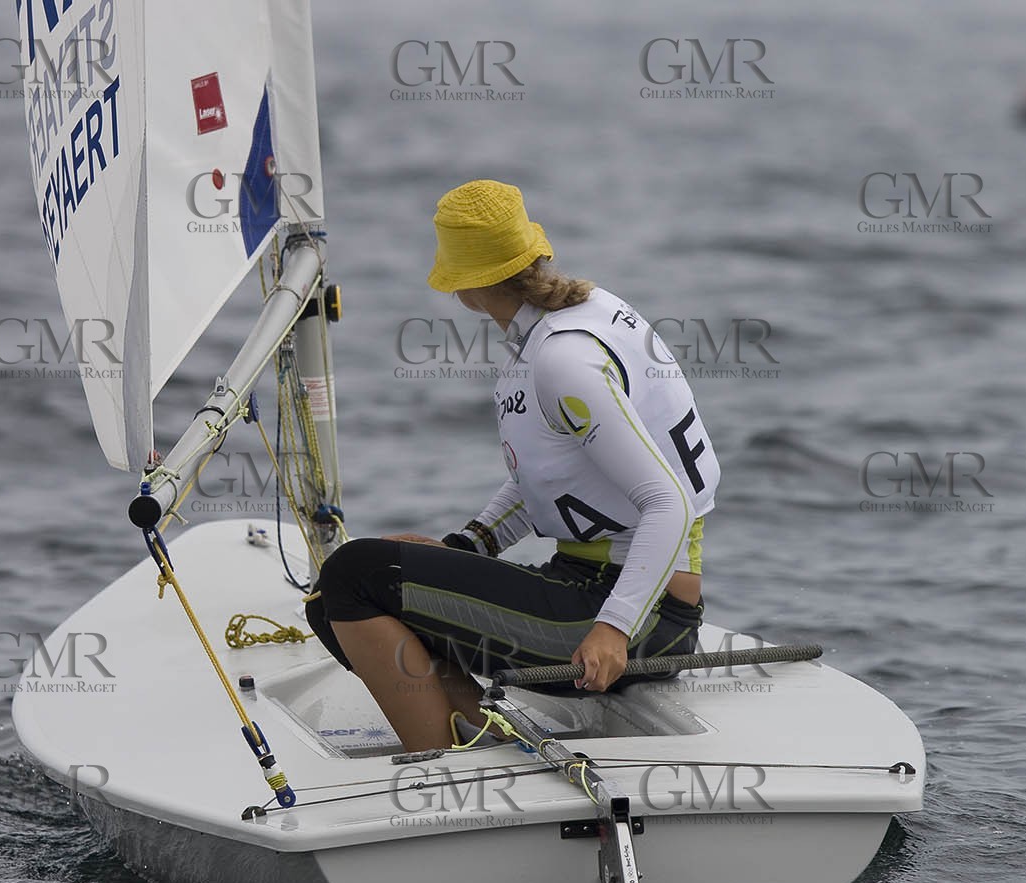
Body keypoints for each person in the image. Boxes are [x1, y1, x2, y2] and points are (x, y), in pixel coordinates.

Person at [304, 179, 720, 752]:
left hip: (634, 617)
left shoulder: (561, 360)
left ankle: (443, 773)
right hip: (625, 597)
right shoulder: (593, 312)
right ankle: (474, 737)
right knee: (334, 597)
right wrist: (465, 547)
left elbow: (667, 502)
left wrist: (613, 628)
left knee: (352, 576)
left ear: (466, 287)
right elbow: (562, 477)